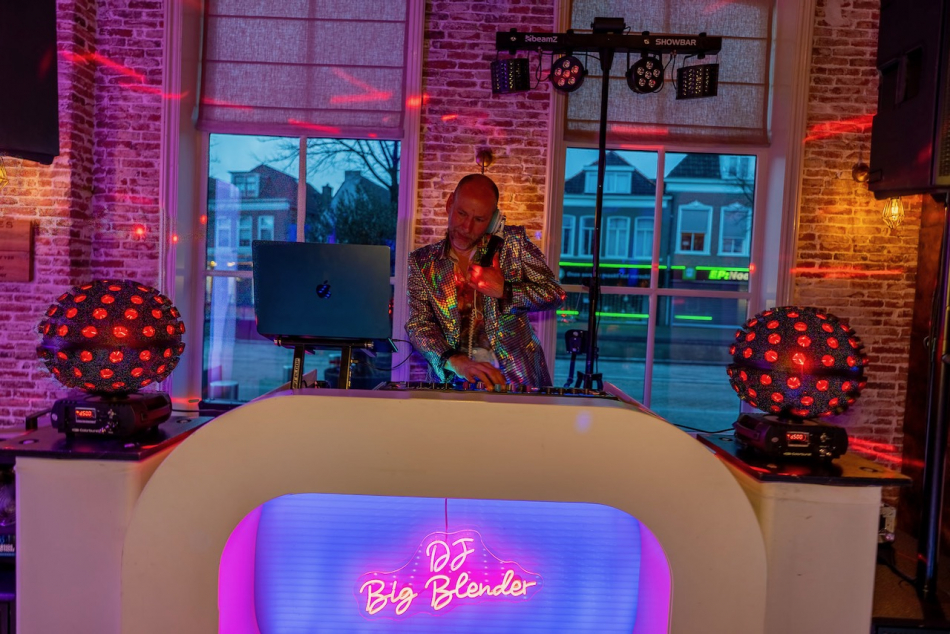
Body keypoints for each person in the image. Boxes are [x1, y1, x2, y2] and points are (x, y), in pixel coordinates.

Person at [406, 174, 565, 387]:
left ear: (493, 219)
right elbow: (419, 325)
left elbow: (555, 294)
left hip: (516, 384)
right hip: (453, 385)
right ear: (450, 203)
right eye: (461, 213)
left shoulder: (513, 245)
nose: (467, 227)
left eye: (479, 219)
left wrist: (506, 291)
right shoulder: (422, 262)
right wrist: (455, 361)